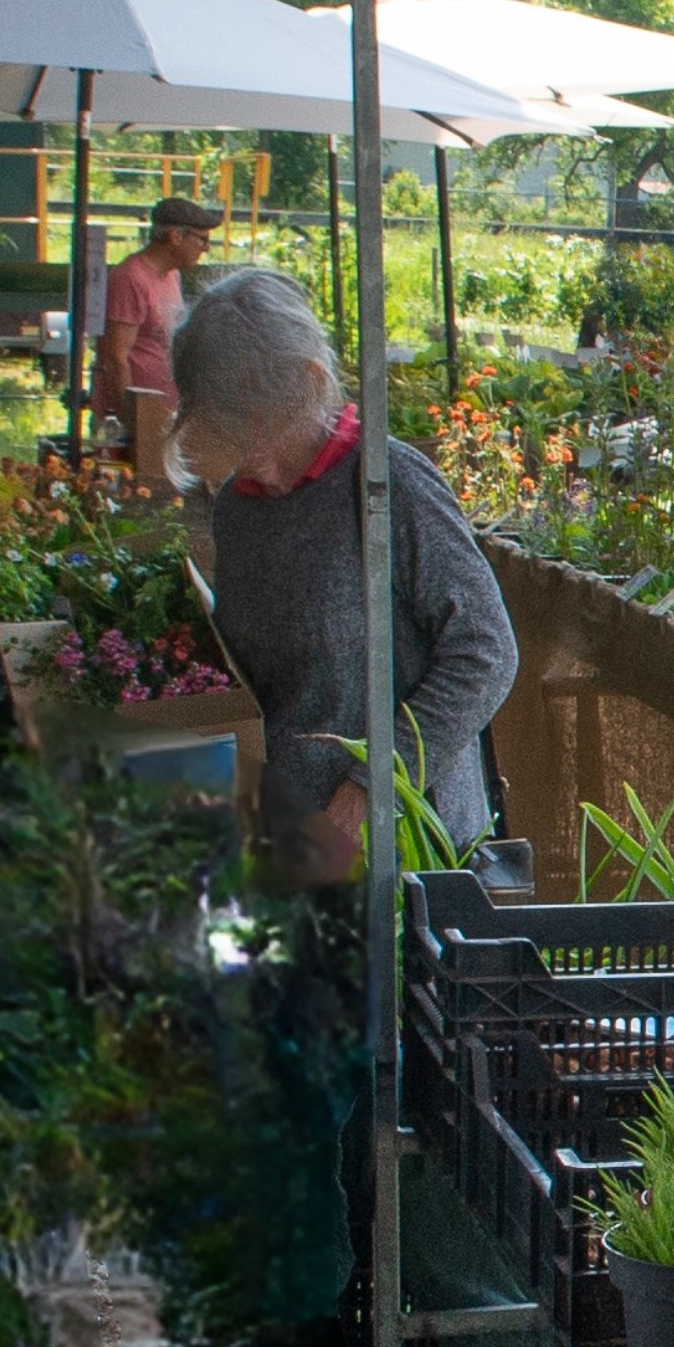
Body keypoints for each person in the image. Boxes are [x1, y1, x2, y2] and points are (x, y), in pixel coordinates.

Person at [164, 266, 513, 886]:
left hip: (404, 850)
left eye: (258, 431)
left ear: (307, 385)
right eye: (229, 435)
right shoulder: (239, 508)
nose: (254, 464)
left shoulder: (387, 484)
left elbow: (486, 652)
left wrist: (366, 792)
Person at [102, 193, 218, 485]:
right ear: (176, 236)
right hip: (135, 418)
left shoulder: (172, 276)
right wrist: (132, 420)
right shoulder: (130, 277)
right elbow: (115, 357)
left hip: (164, 409)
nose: (206, 248)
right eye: (202, 240)